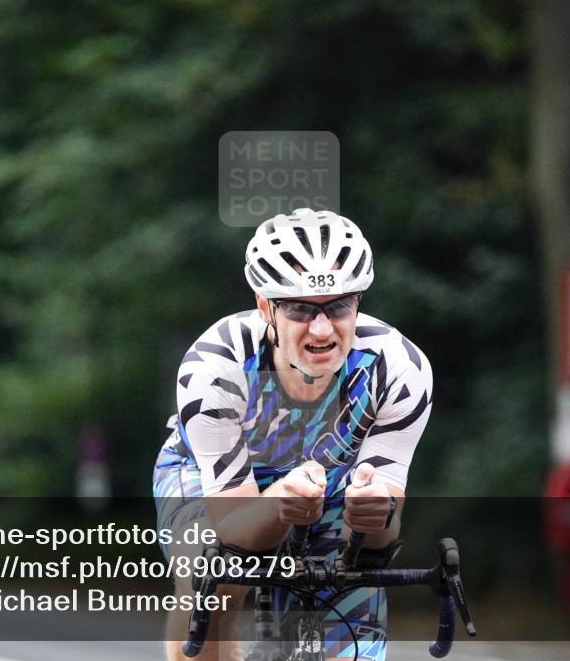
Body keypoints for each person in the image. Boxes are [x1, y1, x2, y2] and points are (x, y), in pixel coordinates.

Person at [153, 208, 433, 661]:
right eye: (301, 309)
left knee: (351, 589)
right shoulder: (215, 366)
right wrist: (279, 500)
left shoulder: (398, 369)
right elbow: (235, 530)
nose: (321, 330)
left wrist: (372, 515)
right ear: (266, 306)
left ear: (358, 301)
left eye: (338, 306)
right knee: (211, 580)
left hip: (328, 484)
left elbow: (379, 542)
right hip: (208, 481)